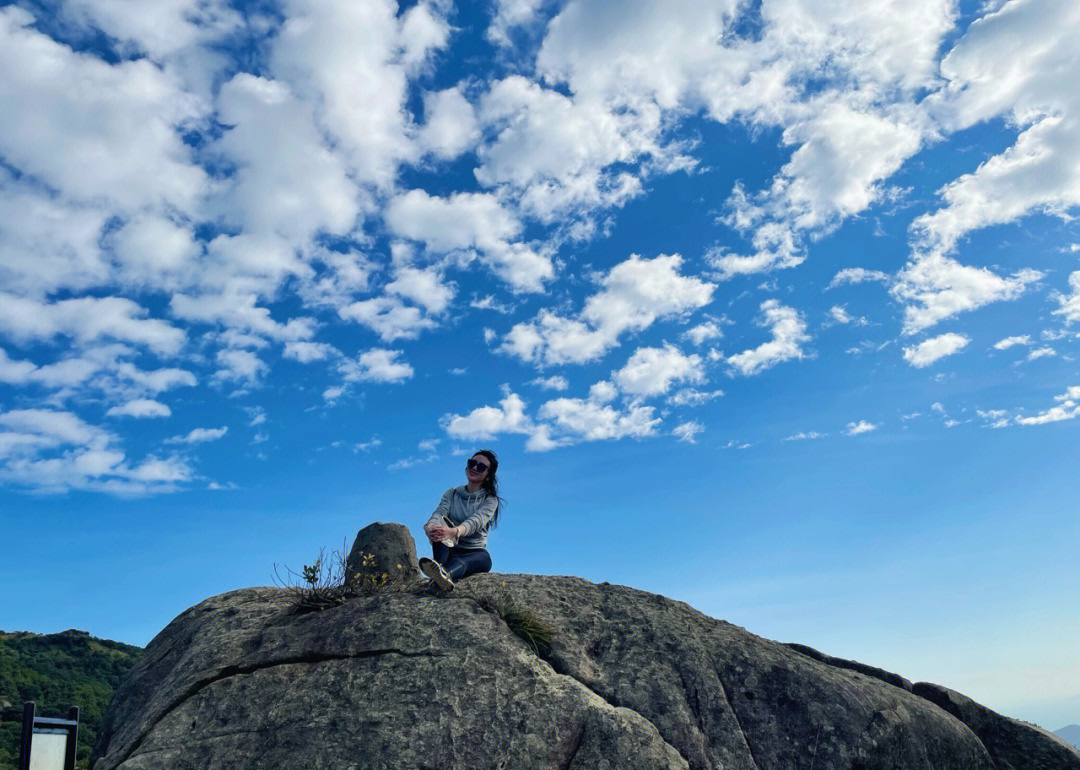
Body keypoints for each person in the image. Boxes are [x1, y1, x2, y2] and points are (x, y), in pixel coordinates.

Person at [419, 449, 501, 591]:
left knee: (477, 560)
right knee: (439, 530)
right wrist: (429, 527)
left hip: (474, 553)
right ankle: (439, 570)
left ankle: (444, 574)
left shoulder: (490, 500)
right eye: (472, 463)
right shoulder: (452, 493)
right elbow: (440, 512)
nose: (474, 468)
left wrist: (455, 531)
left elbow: (475, 521)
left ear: (488, 475)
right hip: (449, 548)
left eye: (481, 467)